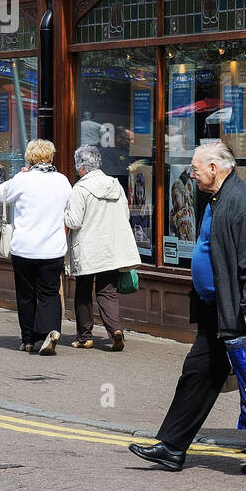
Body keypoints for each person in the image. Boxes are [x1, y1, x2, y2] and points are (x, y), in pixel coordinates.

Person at [129, 140, 246, 474]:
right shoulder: (221, 198)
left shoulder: (241, 203)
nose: (192, 173)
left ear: (214, 168)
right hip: (218, 310)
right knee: (198, 375)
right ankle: (172, 448)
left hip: (241, 312)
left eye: (196, 168)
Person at [0, 139, 73, 355]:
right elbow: (70, 205)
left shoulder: (23, 179)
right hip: (53, 249)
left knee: (26, 295)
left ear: (29, 158)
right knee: (49, 293)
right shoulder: (62, 180)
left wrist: (19, 175)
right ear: (51, 157)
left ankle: (28, 340)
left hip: (24, 249)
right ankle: (51, 331)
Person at [64, 145, 141, 351]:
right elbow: (124, 214)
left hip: (89, 248)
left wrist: (62, 212)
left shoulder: (80, 188)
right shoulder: (115, 184)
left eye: (76, 164)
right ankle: (115, 330)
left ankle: (85, 337)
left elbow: (73, 221)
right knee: (107, 292)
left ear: (81, 167)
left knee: (83, 292)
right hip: (111, 248)